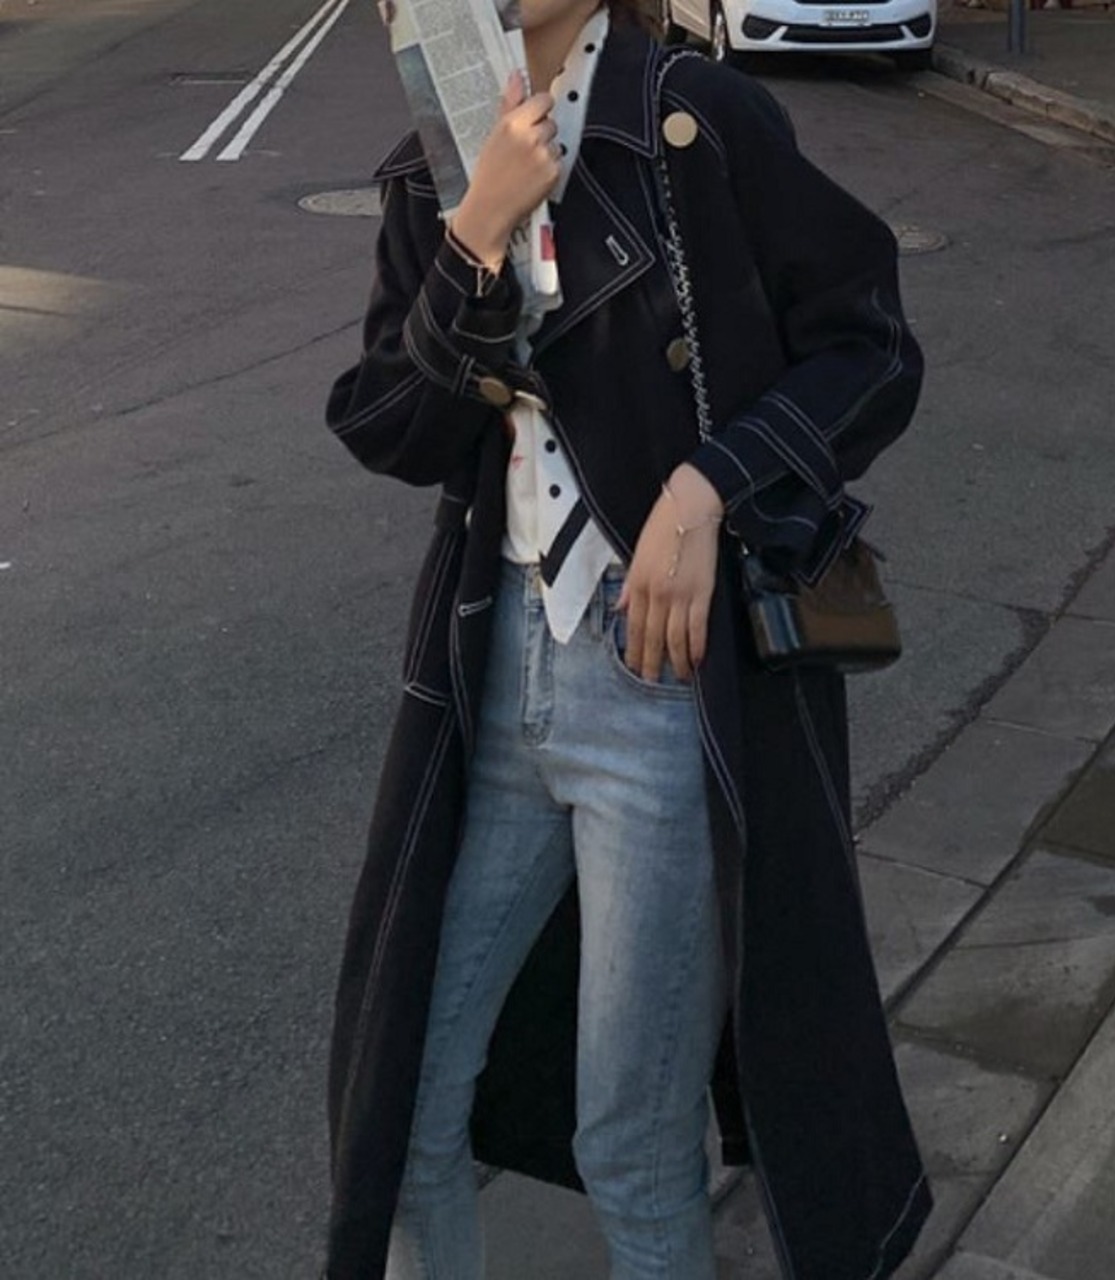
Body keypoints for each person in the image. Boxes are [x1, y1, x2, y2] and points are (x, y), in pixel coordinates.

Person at [322, 1, 930, 1277]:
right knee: (403, 1110)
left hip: (659, 685)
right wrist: (475, 233)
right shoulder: (437, 165)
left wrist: (708, 488)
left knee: (632, 1143)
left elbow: (868, 346)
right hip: (494, 672)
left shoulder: (695, 126)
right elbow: (391, 425)